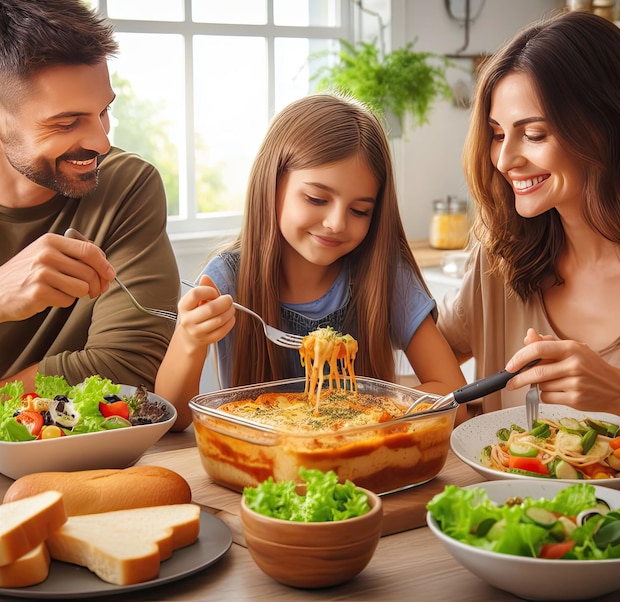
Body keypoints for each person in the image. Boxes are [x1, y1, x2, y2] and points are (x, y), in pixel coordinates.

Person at [156, 93, 467, 430]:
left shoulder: (386, 276)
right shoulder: (228, 279)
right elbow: (173, 417)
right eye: (317, 198)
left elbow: (454, 399)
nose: (336, 222)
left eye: (359, 210)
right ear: (271, 184)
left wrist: (362, 411)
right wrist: (189, 338)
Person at [437, 11, 620, 418]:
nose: (505, 160)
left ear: (606, 126)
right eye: (498, 134)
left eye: (534, 134)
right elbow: (431, 357)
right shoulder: (500, 258)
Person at [0, 0, 180, 391]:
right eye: (66, 123)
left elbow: (131, 367)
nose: (102, 142)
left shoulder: (127, 186)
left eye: (103, 112)